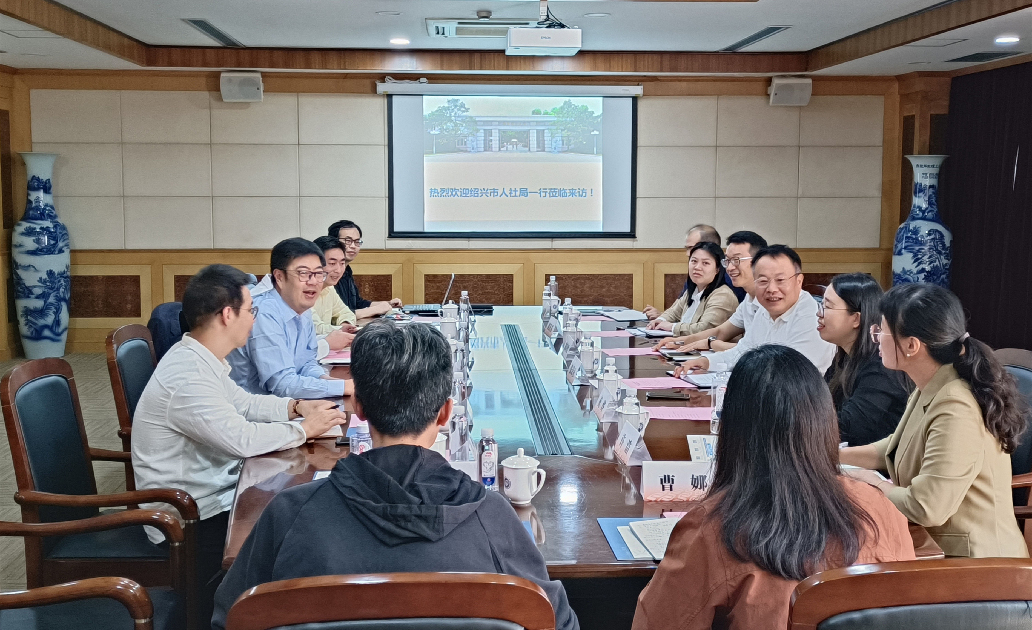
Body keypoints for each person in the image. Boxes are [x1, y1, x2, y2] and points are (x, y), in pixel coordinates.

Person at [212, 320, 580, 630]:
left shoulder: (290, 513)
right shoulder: (492, 516)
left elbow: (231, 617)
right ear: (445, 413)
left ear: (358, 408)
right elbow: (555, 621)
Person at [633, 345, 915, 630]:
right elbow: (906, 609)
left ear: (734, 428)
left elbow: (657, 622)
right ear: (824, 420)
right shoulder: (880, 508)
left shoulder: (716, 528)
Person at [132, 264, 347, 629]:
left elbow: (244, 404)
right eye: (251, 309)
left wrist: (296, 408)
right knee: (292, 535)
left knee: (295, 512)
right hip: (187, 519)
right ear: (227, 315)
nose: (255, 318)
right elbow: (241, 439)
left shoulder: (201, 357)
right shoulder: (187, 376)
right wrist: (303, 430)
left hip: (216, 494)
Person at [840, 283, 1029, 558]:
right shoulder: (933, 383)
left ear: (912, 345)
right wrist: (833, 456)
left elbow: (926, 507)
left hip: (979, 564)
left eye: (881, 330)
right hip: (937, 548)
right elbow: (897, 445)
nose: (876, 338)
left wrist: (873, 482)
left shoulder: (956, 407)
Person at [673, 244, 835, 374]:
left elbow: (788, 375)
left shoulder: (813, 318)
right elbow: (744, 351)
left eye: (780, 280)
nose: (771, 289)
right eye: (763, 281)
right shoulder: (764, 310)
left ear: (799, 281)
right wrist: (706, 362)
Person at [228, 237, 353, 398]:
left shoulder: (301, 306)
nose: (314, 282)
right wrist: (342, 387)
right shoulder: (264, 312)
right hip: (253, 407)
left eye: (318, 273)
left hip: (287, 402)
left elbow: (306, 364)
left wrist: (334, 383)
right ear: (279, 277)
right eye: (304, 273)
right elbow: (281, 384)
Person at [819, 273, 910, 446]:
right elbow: (819, 406)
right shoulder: (844, 358)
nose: (819, 313)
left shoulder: (882, 365)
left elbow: (850, 427)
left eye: (827, 307)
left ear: (856, 318)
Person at [655, 230, 766, 353]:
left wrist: (711, 344)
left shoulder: (770, 301)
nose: (730, 268)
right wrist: (680, 341)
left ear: (759, 261)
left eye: (736, 260)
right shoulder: (748, 300)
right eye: (728, 261)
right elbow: (720, 332)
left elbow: (758, 350)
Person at [644, 224, 742, 319]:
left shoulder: (730, 280)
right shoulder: (695, 279)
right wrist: (663, 317)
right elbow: (680, 310)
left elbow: (706, 324)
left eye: (692, 248)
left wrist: (670, 325)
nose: (688, 254)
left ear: (709, 246)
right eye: (687, 249)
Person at [645, 241, 738, 336]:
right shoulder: (694, 290)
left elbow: (705, 329)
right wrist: (660, 320)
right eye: (694, 261)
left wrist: (672, 327)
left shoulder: (723, 295)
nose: (697, 267)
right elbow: (673, 312)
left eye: (705, 263)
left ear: (717, 269)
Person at [328, 219, 403, 318]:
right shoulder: (329, 273)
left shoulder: (347, 270)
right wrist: (376, 309)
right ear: (334, 242)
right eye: (348, 241)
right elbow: (337, 315)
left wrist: (387, 304)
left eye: (357, 242)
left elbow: (358, 303)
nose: (353, 246)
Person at [312, 235, 358, 349]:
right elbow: (315, 328)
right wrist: (340, 330)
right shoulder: (305, 291)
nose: (338, 270)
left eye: (342, 263)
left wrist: (345, 324)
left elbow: (346, 313)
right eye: (332, 263)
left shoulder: (329, 288)